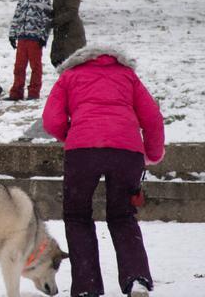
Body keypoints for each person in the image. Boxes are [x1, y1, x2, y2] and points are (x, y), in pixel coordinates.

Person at [42, 45, 164, 297]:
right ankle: (136, 279)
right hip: (126, 152)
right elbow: (152, 117)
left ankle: (87, 287)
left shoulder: (70, 76)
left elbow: (51, 119)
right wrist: (152, 153)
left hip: (82, 152)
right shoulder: (127, 76)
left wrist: (70, 134)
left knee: (77, 216)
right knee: (122, 215)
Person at [8, 0, 52, 100]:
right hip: (22, 37)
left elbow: (47, 20)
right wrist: (12, 34)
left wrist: (43, 37)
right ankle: (16, 92)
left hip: (35, 38)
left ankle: (34, 92)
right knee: (19, 67)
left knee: (36, 67)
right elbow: (16, 17)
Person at [50, 0, 86, 68]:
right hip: (61, 31)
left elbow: (72, 12)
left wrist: (54, 22)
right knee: (59, 62)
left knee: (69, 63)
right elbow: (59, 9)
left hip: (71, 33)